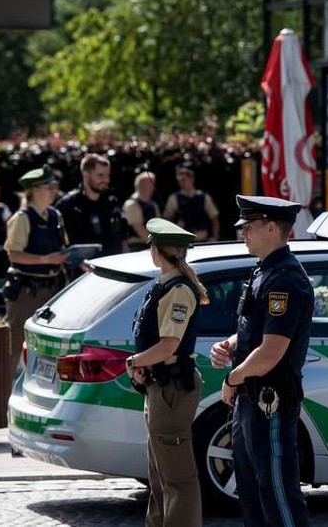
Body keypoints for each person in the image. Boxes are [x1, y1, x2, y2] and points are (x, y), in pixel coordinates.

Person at [209, 195, 312, 526]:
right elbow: (258, 331)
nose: (244, 233)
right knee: (252, 495)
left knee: (278, 495)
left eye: (249, 227)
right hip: (251, 402)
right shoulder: (264, 273)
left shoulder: (285, 280)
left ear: (271, 228)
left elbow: (271, 352)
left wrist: (232, 378)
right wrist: (230, 345)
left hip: (271, 401)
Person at [125, 218, 208, 527]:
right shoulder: (164, 285)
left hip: (173, 387)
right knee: (159, 473)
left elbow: (168, 346)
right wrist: (143, 365)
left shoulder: (178, 291)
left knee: (177, 476)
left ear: (156, 251)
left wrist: (135, 362)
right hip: (161, 385)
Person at [3, 166, 70, 358]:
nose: (53, 190)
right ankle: (4, 388)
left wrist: (77, 258)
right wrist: (45, 259)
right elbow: (13, 254)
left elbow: (63, 247)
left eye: (54, 185)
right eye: (48, 185)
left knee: (52, 346)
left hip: (53, 289)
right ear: (33, 190)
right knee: (14, 344)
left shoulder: (56, 215)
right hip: (26, 290)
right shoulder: (22, 217)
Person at [56, 153, 127, 256]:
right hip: (84, 269)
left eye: (107, 175)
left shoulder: (112, 202)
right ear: (86, 175)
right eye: (100, 175)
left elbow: (122, 237)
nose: (105, 180)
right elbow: (59, 244)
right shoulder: (68, 205)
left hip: (114, 265)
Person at [164, 164, 220, 242]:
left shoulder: (204, 197)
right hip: (183, 240)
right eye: (179, 180)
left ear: (192, 179)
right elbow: (167, 219)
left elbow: (214, 218)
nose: (181, 182)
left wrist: (215, 236)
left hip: (202, 239)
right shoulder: (174, 198)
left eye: (184, 179)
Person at [123, 171, 162, 252]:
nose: (152, 187)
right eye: (149, 184)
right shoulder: (131, 204)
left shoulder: (153, 205)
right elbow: (139, 229)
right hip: (137, 247)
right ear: (140, 185)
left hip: (151, 245)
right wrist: (158, 244)